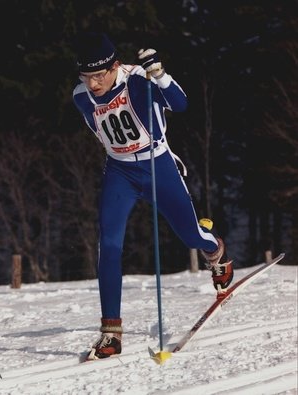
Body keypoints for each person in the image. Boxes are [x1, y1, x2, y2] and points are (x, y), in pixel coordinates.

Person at [72, 31, 233, 360]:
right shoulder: (81, 96)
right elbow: (102, 131)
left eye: (98, 76)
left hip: (158, 167)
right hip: (119, 172)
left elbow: (181, 104)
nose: (92, 84)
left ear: (114, 66)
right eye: (85, 77)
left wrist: (160, 76)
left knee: (190, 235)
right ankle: (111, 333)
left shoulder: (139, 81)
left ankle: (215, 250)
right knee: (110, 246)